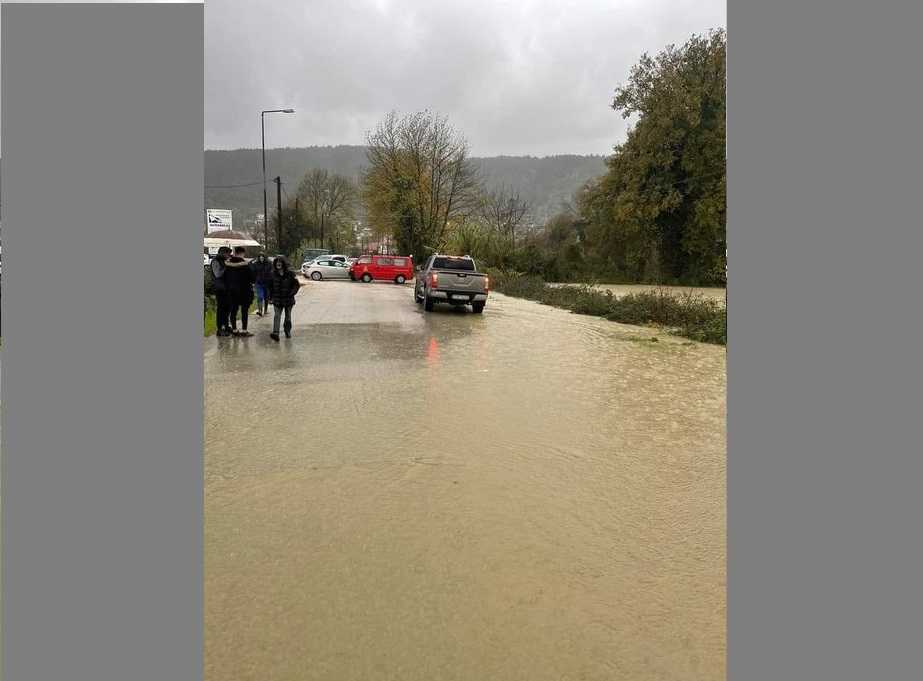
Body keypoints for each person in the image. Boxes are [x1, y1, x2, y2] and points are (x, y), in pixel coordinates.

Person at [267, 256, 300, 341]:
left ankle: (287, 331)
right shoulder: (272, 274)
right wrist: (270, 298)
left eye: (280, 262)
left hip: (288, 299)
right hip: (277, 299)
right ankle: (275, 333)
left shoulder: (290, 274)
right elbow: (270, 287)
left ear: (283, 264)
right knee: (277, 316)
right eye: (277, 262)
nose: (278, 264)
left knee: (288, 316)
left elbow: (296, 285)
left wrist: (292, 293)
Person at [224, 246, 254, 336]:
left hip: (232, 291)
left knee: (233, 310)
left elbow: (225, 278)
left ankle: (234, 330)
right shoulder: (246, 265)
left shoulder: (227, 264)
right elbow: (252, 278)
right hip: (244, 291)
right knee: (244, 311)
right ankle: (244, 331)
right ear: (242, 253)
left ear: (235, 252)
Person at [210, 246, 232, 337]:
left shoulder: (224, 261)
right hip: (220, 289)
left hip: (227, 288)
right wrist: (226, 265)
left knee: (228, 308)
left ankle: (226, 326)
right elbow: (217, 274)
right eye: (228, 254)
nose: (229, 255)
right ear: (223, 253)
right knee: (221, 309)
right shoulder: (215, 261)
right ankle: (220, 329)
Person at [250, 252, 273, 317]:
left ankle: (265, 310)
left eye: (262, 256)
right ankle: (260, 311)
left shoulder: (269, 264)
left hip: (267, 283)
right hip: (259, 283)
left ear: (265, 257)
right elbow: (252, 270)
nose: (261, 257)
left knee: (266, 297)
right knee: (260, 297)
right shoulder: (256, 264)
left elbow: (271, 272)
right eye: (260, 256)